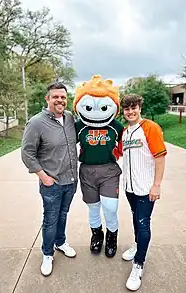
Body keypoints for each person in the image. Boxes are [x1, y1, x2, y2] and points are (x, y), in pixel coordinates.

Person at [21, 82, 78, 276]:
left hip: (71, 180)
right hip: (51, 183)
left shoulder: (70, 118)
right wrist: (43, 177)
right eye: (55, 97)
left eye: (63, 97)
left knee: (63, 215)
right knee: (51, 219)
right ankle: (47, 253)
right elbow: (27, 153)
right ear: (47, 99)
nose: (60, 100)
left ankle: (60, 242)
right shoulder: (36, 122)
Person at [119, 94, 167, 291]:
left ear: (140, 108)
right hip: (130, 187)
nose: (130, 112)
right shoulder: (125, 132)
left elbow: (160, 157)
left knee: (142, 222)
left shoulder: (149, 127)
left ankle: (138, 264)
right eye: (127, 109)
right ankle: (138, 245)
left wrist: (157, 184)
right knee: (135, 218)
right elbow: (121, 154)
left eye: (134, 108)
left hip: (146, 188)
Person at [73, 74, 124, 257]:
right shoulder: (78, 126)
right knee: (93, 207)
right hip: (87, 170)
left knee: (110, 207)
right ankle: (97, 235)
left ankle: (112, 236)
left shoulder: (116, 126)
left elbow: (125, 143)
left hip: (109, 170)